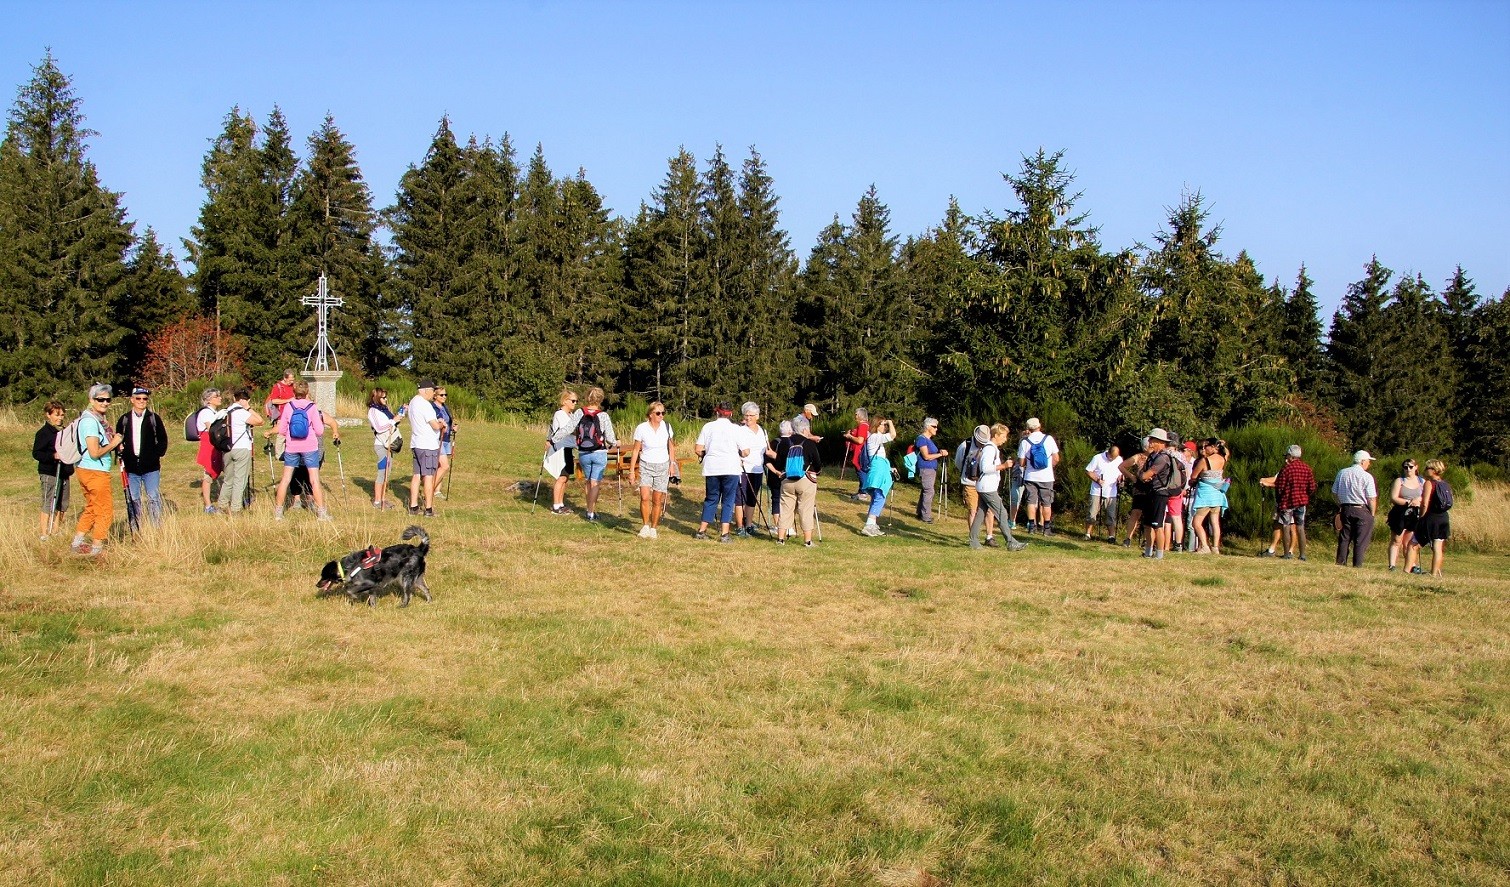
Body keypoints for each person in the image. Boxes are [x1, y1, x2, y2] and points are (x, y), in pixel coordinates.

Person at [70, 384, 123, 556]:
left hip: (86, 470)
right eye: (100, 399)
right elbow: (94, 452)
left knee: (92, 507)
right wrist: (113, 443)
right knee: (104, 509)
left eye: (108, 399)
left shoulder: (95, 419)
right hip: (94, 471)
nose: (105, 402)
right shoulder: (90, 422)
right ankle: (97, 548)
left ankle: (77, 543)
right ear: (91, 400)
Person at [272, 380, 331, 521]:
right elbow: (320, 430)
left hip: (292, 446)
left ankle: (278, 513)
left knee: (285, 479)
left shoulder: (288, 406)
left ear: (294, 392)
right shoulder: (312, 407)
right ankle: (321, 513)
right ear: (307, 392)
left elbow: (282, 430)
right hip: (310, 446)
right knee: (314, 480)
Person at [114, 387, 170, 526]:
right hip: (131, 468)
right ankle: (136, 526)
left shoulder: (153, 418)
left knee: (153, 497)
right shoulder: (124, 419)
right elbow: (117, 439)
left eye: (145, 398)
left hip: (151, 468)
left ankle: (156, 527)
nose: (141, 401)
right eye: (138, 398)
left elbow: (163, 439)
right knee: (133, 499)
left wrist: (156, 454)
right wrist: (119, 450)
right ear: (132, 400)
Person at [969, 424, 1029, 552]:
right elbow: (985, 468)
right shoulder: (990, 449)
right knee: (1002, 513)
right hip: (987, 487)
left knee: (980, 513)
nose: (1005, 439)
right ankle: (1010, 542)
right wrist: (1003, 466)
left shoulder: (991, 448)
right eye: (1004, 436)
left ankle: (973, 540)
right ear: (996, 435)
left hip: (985, 486)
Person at [694, 402, 748, 542]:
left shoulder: (708, 427)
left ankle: (702, 531)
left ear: (717, 412)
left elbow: (698, 449)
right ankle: (725, 534)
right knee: (728, 501)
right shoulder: (736, 429)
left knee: (711, 499)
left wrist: (706, 453)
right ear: (730, 413)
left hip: (712, 468)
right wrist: (740, 453)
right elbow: (746, 451)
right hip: (730, 468)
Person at [1259, 444, 1317, 561]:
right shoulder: (1307, 468)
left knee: (1286, 527)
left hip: (1287, 502)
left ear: (1291, 456)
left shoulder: (1286, 469)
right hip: (1301, 502)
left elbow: (1280, 486)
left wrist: (1280, 498)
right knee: (1300, 527)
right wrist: (1304, 495)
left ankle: (1286, 554)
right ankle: (1302, 555)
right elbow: (1312, 487)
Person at [629, 400, 675, 538]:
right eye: (658, 413)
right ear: (650, 414)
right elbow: (636, 450)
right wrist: (632, 471)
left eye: (663, 413)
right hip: (646, 464)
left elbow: (671, 447)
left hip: (662, 465)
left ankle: (654, 527)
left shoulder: (666, 427)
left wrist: (672, 464)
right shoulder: (642, 428)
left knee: (657, 499)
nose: (661, 416)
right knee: (644, 496)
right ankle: (645, 526)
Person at [774, 419, 824, 546]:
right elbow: (817, 463)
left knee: (785, 509)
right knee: (805, 509)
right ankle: (807, 541)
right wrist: (816, 471)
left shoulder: (785, 443)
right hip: (805, 479)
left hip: (787, 480)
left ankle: (780, 539)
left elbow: (779, 464)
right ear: (805, 429)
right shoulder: (809, 443)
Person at [214, 386, 263, 514]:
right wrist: (249, 408)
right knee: (240, 480)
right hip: (241, 448)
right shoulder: (242, 412)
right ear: (244, 400)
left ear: (234, 398)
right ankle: (236, 508)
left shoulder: (224, 411)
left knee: (228, 479)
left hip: (227, 448)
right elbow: (260, 421)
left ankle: (222, 505)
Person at [33, 401, 73, 540]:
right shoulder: (43, 433)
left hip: (64, 471)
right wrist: (52, 456)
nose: (60, 418)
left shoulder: (65, 431)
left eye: (62, 415)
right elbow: (37, 453)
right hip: (49, 472)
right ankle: (44, 533)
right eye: (57, 415)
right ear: (48, 415)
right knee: (48, 502)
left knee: (63, 503)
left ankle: (56, 530)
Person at [407, 379, 447, 517]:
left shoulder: (413, 402)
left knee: (417, 475)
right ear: (424, 390)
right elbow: (435, 425)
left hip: (416, 443)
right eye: (432, 390)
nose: (433, 393)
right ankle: (428, 509)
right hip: (427, 445)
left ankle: (413, 507)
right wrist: (441, 424)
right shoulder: (425, 405)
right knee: (428, 476)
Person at [1332, 450, 1378, 567]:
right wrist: (1372, 514)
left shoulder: (1342, 473)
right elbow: (1371, 498)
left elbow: (1334, 492)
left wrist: (1341, 505)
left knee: (1345, 537)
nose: (1369, 464)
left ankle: (1341, 562)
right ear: (1362, 462)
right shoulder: (1367, 476)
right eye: (1368, 461)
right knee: (1360, 540)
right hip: (1361, 509)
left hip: (1345, 508)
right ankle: (1357, 565)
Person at [1137, 428, 1177, 559]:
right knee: (1148, 524)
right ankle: (1148, 552)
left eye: (1152, 440)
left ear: (1160, 442)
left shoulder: (1163, 458)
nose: (1150, 443)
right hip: (1150, 492)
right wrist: (1143, 475)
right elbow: (1143, 474)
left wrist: (1143, 475)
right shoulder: (1152, 457)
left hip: (1160, 494)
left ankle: (1159, 554)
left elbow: (1145, 475)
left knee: (1157, 525)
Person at [1017, 417, 1060, 535]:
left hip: (1030, 476)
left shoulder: (1025, 442)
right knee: (1046, 502)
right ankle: (1046, 528)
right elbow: (1056, 458)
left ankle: (1032, 526)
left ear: (1028, 428)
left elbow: (1021, 463)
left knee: (1031, 501)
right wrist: (1049, 467)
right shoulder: (1049, 439)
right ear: (1039, 426)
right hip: (1046, 477)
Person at [859, 415, 896, 537]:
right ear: (877, 425)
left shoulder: (873, 438)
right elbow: (892, 436)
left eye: (885, 425)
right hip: (878, 470)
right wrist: (890, 422)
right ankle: (869, 525)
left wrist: (889, 468)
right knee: (879, 496)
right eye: (883, 424)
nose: (885, 427)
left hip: (879, 468)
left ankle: (872, 524)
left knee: (876, 497)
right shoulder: (875, 437)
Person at [1414, 460, 1453, 577]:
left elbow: (1424, 503)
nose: (1425, 470)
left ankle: (1407, 569)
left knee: (1413, 544)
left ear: (1434, 470)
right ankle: (1434, 573)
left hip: (1431, 517)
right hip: (1444, 517)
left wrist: (1421, 517)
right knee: (1438, 547)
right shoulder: (1445, 484)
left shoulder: (1429, 483)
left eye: (1427, 468)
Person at [1190, 438, 1229, 555]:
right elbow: (1227, 453)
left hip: (1205, 495)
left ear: (1212, 447)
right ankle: (1215, 547)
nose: (1204, 448)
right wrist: (1222, 445)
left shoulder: (1205, 461)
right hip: (1217, 495)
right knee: (1215, 522)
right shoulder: (1223, 459)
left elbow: (1193, 476)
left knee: (1196, 522)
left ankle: (1205, 546)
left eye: (1206, 446)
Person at [734, 402, 768, 536]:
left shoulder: (762, 431)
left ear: (757, 416)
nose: (748, 418)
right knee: (740, 499)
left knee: (751, 499)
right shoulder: (740, 430)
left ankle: (748, 525)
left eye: (751, 415)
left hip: (758, 469)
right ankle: (739, 526)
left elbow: (766, 449)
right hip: (743, 469)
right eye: (746, 415)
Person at [1385, 459, 1425, 572]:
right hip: (1400, 513)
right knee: (1396, 540)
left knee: (1410, 541)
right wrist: (1408, 502)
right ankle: (1392, 565)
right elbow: (1394, 497)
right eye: (1405, 467)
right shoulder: (1400, 481)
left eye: (1411, 467)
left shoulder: (1422, 481)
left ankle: (1411, 565)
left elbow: (1426, 497)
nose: (1408, 469)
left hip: (1414, 514)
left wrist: (1418, 500)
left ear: (1416, 467)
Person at [954, 432, 993, 543]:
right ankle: (973, 538)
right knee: (973, 510)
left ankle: (989, 537)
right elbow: (958, 462)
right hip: (969, 483)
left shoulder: (989, 446)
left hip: (985, 483)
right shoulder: (965, 445)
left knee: (989, 510)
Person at [367, 387, 403, 509]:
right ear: (376, 397)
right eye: (383, 397)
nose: (385, 399)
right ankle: (377, 501)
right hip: (381, 444)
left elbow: (392, 421)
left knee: (388, 472)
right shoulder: (373, 411)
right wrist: (393, 421)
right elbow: (379, 428)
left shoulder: (385, 409)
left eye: (386, 397)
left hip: (389, 443)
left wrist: (399, 415)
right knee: (382, 471)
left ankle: (383, 498)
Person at [546, 388, 580, 515]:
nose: (575, 403)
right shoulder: (559, 414)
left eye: (576, 401)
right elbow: (569, 430)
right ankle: (556, 505)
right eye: (573, 401)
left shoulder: (570, 415)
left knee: (565, 477)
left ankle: (561, 503)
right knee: (560, 477)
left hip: (568, 449)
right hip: (560, 450)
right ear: (565, 401)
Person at [195, 388, 226, 513]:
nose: (220, 398)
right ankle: (208, 506)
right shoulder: (205, 413)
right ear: (208, 400)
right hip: (209, 446)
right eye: (216, 396)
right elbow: (212, 428)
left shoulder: (214, 412)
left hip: (216, 445)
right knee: (208, 474)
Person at [1084, 444, 1122, 542]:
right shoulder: (1097, 458)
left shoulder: (1119, 460)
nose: (1112, 459)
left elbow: (1120, 474)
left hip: (1111, 492)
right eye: (1111, 457)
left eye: (1114, 458)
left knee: (1111, 515)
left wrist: (1120, 479)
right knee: (1092, 513)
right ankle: (1087, 534)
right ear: (1108, 453)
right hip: (1097, 491)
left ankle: (1111, 536)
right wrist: (1097, 479)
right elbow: (1088, 471)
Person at [914, 418, 948, 523]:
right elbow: (926, 456)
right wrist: (940, 454)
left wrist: (939, 451)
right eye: (934, 426)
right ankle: (926, 516)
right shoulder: (922, 439)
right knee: (929, 491)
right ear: (928, 427)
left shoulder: (928, 440)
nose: (936, 429)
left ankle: (920, 512)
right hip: (925, 468)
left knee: (926, 490)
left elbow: (932, 453)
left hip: (930, 469)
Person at [1120, 437, 1151, 548]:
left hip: (1152, 489)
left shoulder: (1157, 457)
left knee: (1149, 515)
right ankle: (1128, 538)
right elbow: (1122, 466)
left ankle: (1147, 540)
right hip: (1140, 488)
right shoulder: (1139, 457)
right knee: (1135, 513)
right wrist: (1132, 477)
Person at [1168, 439, 1196, 552]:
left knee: (1187, 521)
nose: (1182, 451)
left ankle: (1188, 546)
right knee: (1177, 518)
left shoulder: (1193, 462)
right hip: (1180, 491)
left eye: (1184, 449)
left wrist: (1185, 489)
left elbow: (1189, 477)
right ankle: (1176, 543)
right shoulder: (1181, 459)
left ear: (1191, 451)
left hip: (1187, 492)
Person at [842, 408, 871, 499]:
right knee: (861, 470)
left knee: (860, 470)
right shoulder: (866, 426)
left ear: (859, 415)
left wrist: (850, 436)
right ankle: (861, 490)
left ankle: (863, 492)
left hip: (859, 452)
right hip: (861, 452)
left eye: (856, 414)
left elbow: (860, 440)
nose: (855, 416)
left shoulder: (863, 426)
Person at [434, 386, 456, 499]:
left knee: (439, 466)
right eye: (441, 395)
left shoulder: (445, 407)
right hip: (437, 439)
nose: (444, 397)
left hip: (446, 438)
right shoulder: (432, 407)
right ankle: (430, 489)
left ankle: (437, 491)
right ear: (435, 396)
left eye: (445, 395)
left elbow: (448, 422)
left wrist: (453, 428)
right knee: (444, 466)